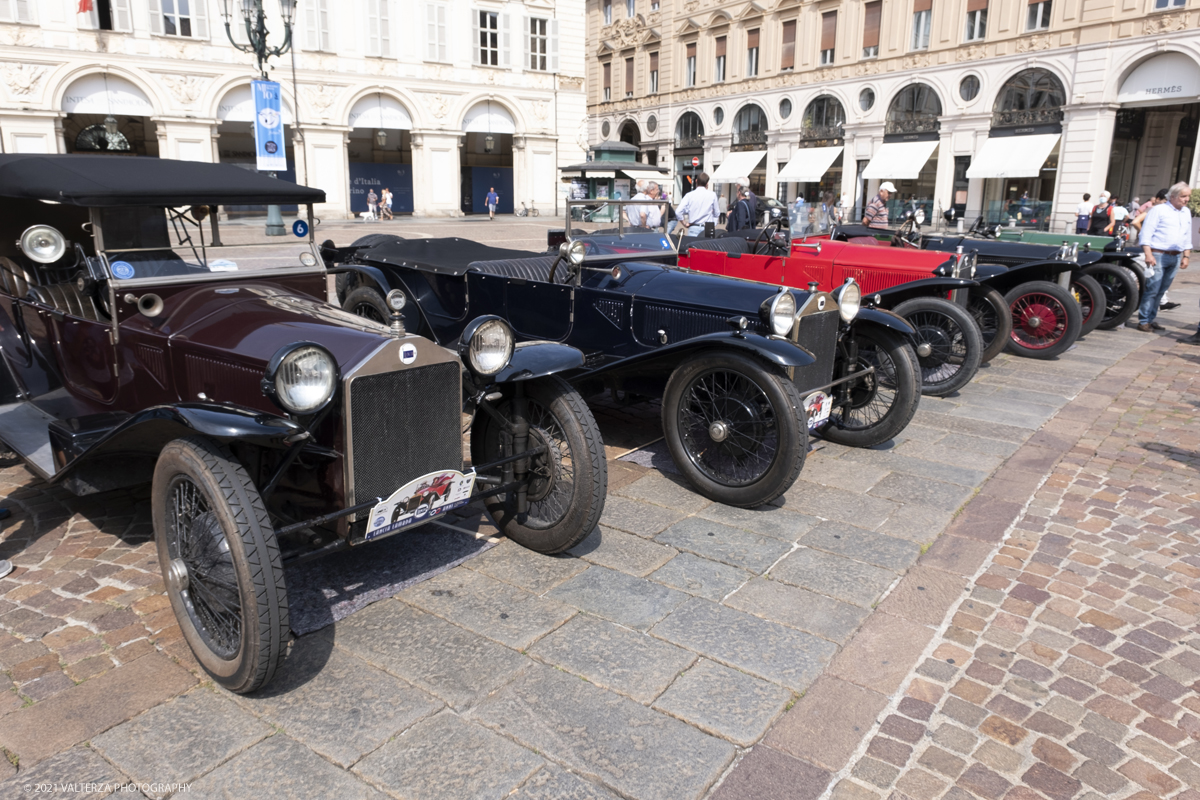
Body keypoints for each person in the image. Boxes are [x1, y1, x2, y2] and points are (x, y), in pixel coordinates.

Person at [1136, 182, 1192, 333]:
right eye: (1183, 196)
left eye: (1188, 196)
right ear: (1173, 196)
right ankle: (1144, 320)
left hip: (1175, 256)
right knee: (1152, 288)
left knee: (1162, 290)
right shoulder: (1159, 210)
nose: (1186, 199)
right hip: (1158, 254)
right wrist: (1148, 254)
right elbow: (1145, 233)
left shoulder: (1186, 212)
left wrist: (1186, 255)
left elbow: (1187, 236)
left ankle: (1151, 319)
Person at [674, 171, 720, 236]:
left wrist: (684, 223)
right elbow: (717, 213)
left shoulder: (689, 195)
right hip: (707, 227)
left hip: (694, 226)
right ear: (707, 183)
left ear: (696, 181)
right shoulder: (712, 195)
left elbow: (678, 211)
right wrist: (713, 223)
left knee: (693, 246)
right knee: (705, 246)